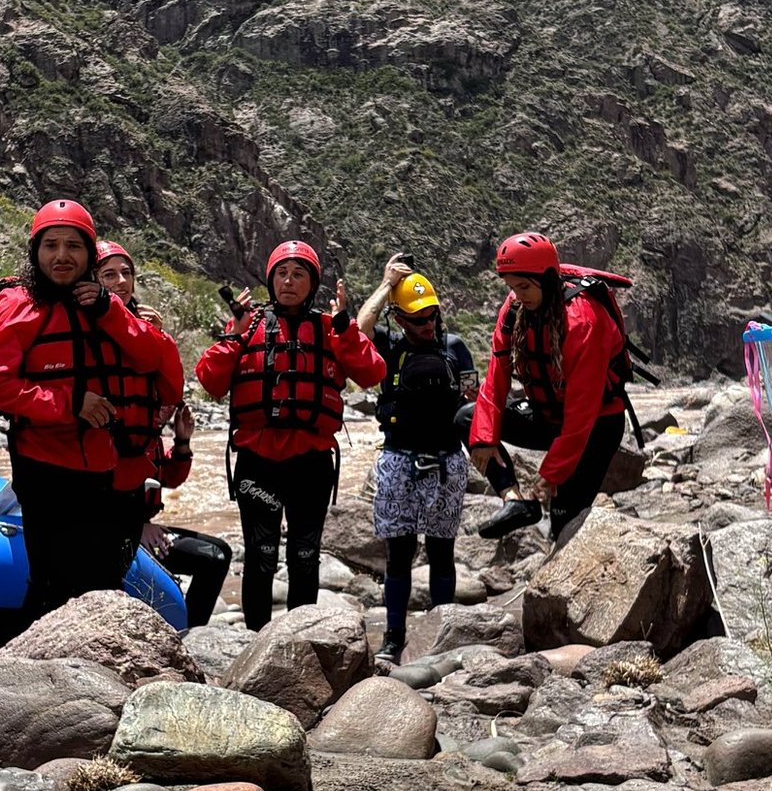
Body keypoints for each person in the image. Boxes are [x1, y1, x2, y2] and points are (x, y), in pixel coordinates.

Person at [0, 199, 173, 624]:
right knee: (51, 581)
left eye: (73, 247)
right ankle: (37, 675)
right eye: (50, 246)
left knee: (100, 581)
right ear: (35, 252)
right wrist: (70, 403)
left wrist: (109, 310)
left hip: (103, 465)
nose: (61, 256)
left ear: (89, 254)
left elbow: (153, 357)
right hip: (44, 464)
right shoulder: (16, 303)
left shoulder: (101, 303)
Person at [196, 239, 385, 631]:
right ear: (270, 279)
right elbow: (210, 381)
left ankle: (299, 638)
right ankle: (255, 641)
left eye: (299, 274)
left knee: (304, 554)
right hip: (257, 463)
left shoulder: (331, 329)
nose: (288, 280)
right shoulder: (247, 326)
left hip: (310, 464)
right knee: (261, 555)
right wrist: (234, 332)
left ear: (312, 284)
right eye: (282, 273)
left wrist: (347, 329)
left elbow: (372, 373)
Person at [93, 239, 232, 626]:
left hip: (139, 517)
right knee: (211, 559)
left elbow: (167, 476)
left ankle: (189, 638)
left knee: (219, 553)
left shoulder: (148, 340)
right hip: (116, 521)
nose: (121, 281)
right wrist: (138, 526)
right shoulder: (90, 342)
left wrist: (183, 442)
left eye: (127, 273)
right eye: (109, 275)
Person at [465, 233, 636, 543]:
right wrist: (484, 437)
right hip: (549, 417)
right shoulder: (514, 309)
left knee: (565, 524)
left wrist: (550, 475)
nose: (518, 296)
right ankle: (515, 502)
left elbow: (582, 414)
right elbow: (495, 379)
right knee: (467, 419)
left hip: (595, 427)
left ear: (546, 277)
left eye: (525, 287)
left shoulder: (583, 323)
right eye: (512, 287)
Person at [355, 255, 479, 664]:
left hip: (446, 461)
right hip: (398, 460)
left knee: (442, 552)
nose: (426, 324)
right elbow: (361, 327)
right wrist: (387, 284)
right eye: (417, 318)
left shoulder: (455, 348)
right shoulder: (389, 346)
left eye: (431, 316)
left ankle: (443, 634)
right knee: (399, 554)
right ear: (400, 317)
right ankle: (394, 638)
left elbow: (472, 404)